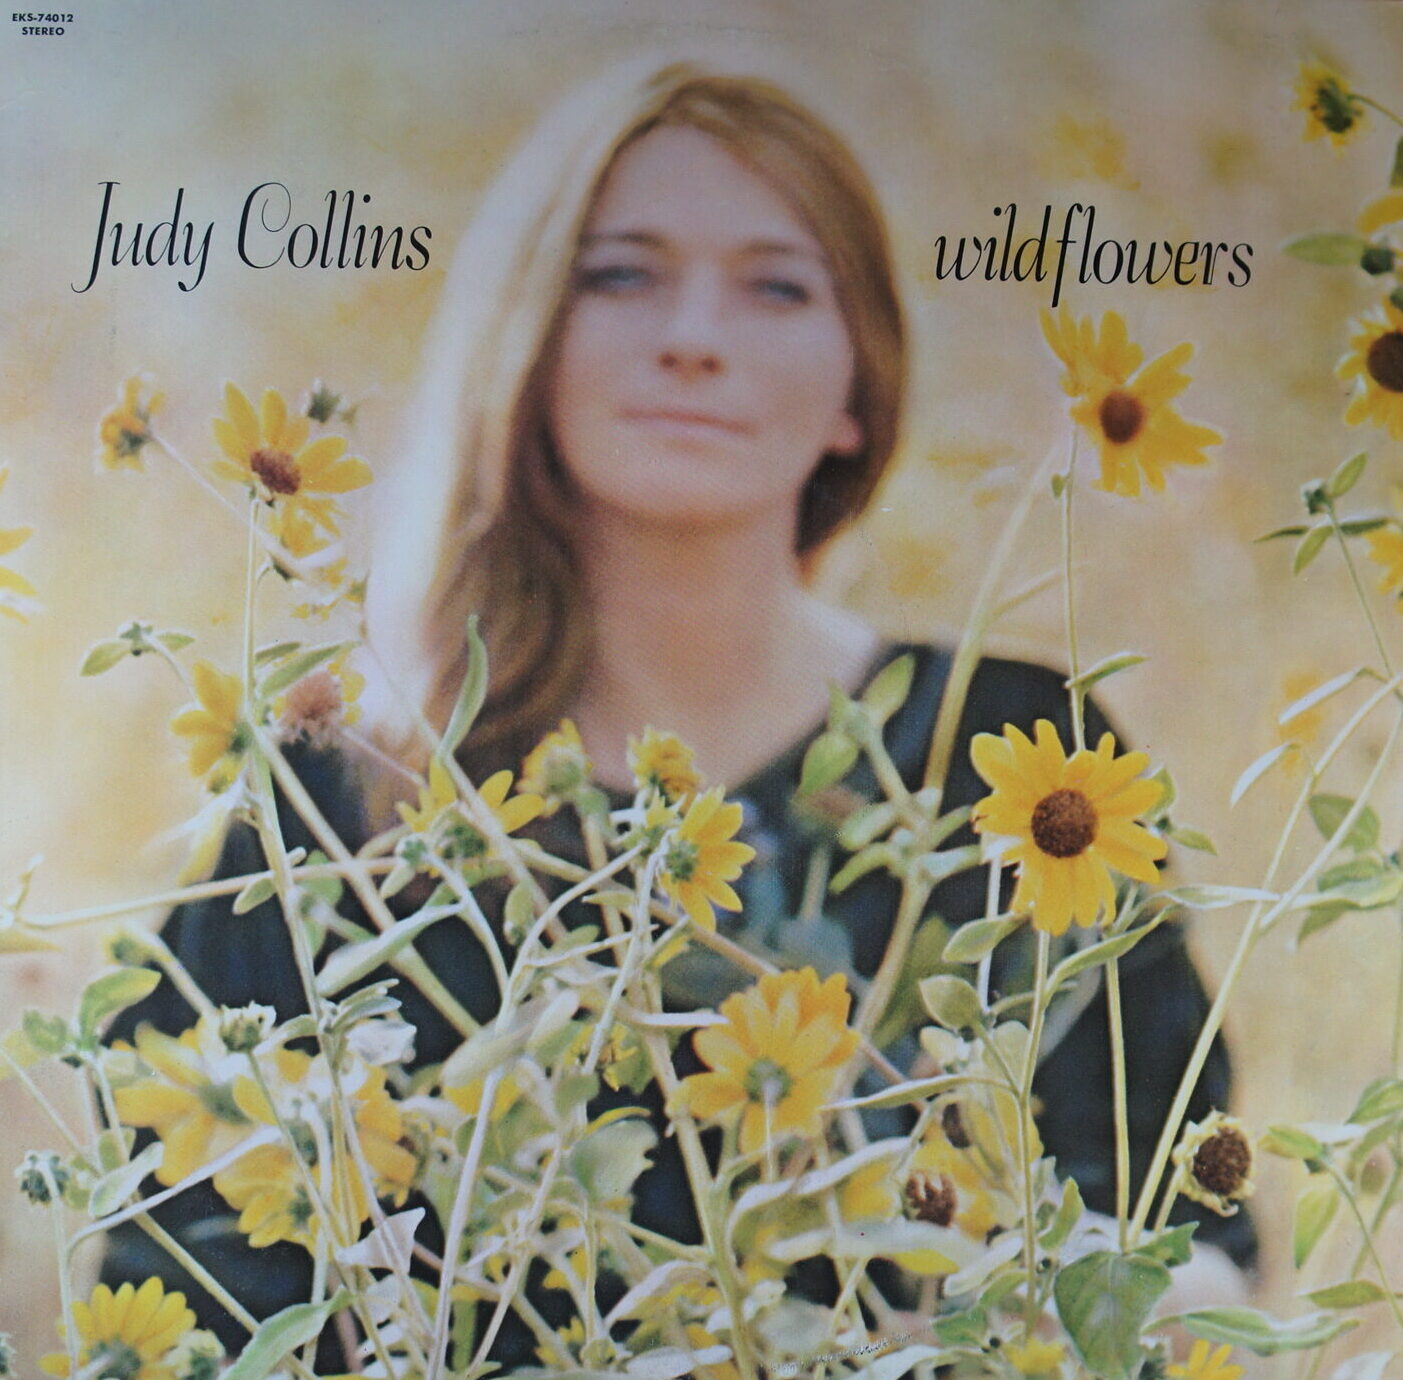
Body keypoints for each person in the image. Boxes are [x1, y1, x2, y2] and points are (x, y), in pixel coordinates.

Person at [105, 55, 1252, 1365]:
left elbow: (1168, 1214)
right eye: (620, 275)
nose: (695, 337)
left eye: (776, 286)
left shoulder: (1004, 758)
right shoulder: (343, 802)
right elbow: (182, 1271)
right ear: (526, 343)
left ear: (859, 386)